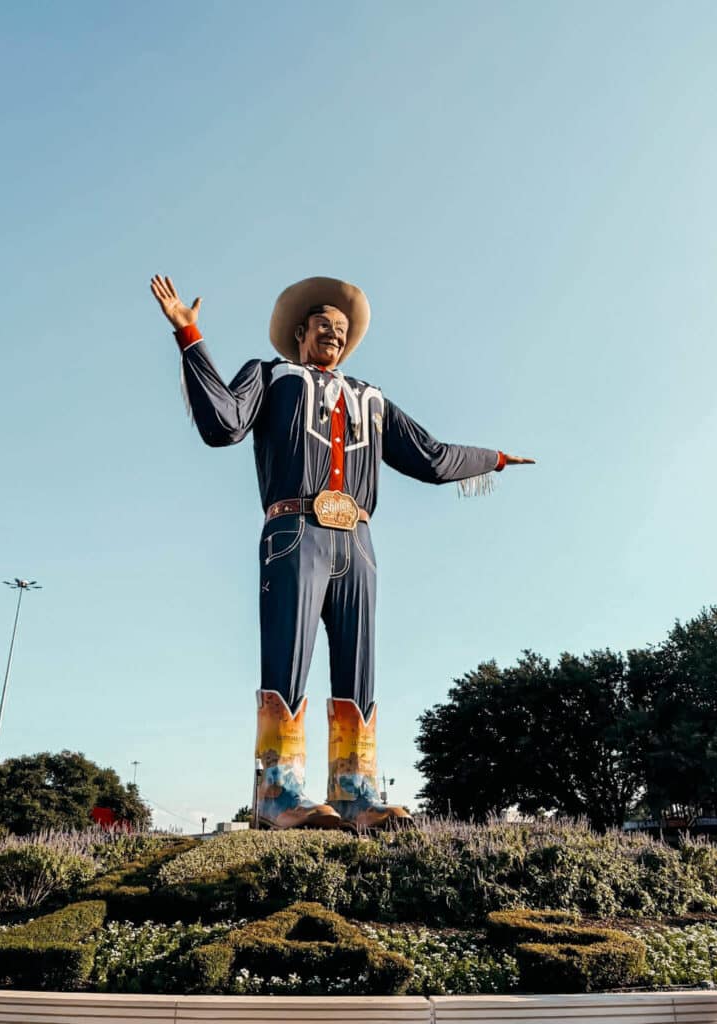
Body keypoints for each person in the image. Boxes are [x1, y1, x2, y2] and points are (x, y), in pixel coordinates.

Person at [150, 274, 534, 830]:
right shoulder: (271, 376)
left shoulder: (372, 398)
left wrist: (494, 458)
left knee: (360, 661)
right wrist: (189, 333)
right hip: (294, 530)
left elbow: (431, 456)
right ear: (301, 333)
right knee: (288, 653)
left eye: (342, 328)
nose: (333, 332)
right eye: (323, 325)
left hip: (359, 539)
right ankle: (278, 793)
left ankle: (356, 793)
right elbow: (223, 423)